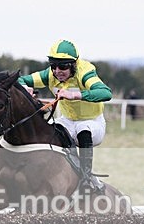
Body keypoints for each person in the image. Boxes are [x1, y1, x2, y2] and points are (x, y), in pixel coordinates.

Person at [18, 39, 112, 193]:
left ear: (74, 65)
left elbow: (106, 93)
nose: (57, 71)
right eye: (53, 66)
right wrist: (25, 87)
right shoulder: (50, 75)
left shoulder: (85, 72)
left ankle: (87, 179)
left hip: (92, 122)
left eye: (62, 66)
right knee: (50, 131)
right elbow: (19, 79)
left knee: (83, 128)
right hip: (67, 121)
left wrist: (74, 94)